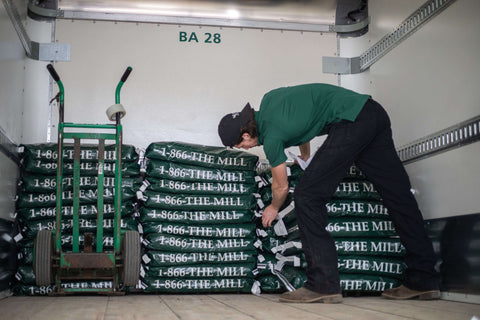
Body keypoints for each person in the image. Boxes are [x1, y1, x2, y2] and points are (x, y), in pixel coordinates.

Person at [218, 83, 439, 303]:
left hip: (350, 122)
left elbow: (281, 186)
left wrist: (274, 207)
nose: (243, 149)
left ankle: (322, 283)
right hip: (372, 113)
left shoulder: (273, 138)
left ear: (246, 134)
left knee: (306, 195)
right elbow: (302, 119)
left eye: (240, 145)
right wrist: (305, 154)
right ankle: (423, 279)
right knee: (398, 196)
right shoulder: (271, 101)